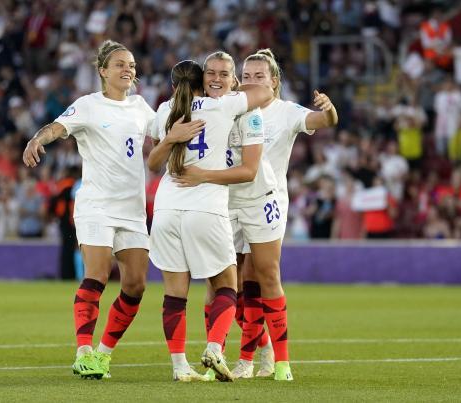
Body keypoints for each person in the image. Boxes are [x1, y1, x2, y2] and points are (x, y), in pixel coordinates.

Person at [22, 40, 200, 380]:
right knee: (98, 274)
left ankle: (103, 355)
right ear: (103, 71)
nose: (127, 69)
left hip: (132, 209)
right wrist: (36, 140)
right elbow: (57, 128)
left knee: (135, 285)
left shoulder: (140, 106)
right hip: (97, 206)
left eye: (131, 64)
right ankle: (84, 351)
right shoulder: (88, 105)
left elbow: (164, 132)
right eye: (119, 64)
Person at [180, 49, 338, 381]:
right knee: (223, 284)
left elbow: (322, 121)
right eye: (246, 76)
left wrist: (329, 110)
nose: (251, 81)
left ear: (274, 81)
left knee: (260, 276)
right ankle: (247, 350)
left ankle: (268, 362)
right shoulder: (228, 107)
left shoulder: (285, 111)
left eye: (259, 76)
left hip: (265, 200)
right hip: (225, 201)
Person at [147, 57, 273, 382]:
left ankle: (179, 367)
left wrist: (171, 137)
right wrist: (237, 86)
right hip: (205, 208)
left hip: (166, 208)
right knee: (226, 286)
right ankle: (215, 348)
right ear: (202, 80)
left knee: (174, 295)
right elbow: (264, 91)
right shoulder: (223, 106)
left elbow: (153, 163)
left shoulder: (166, 109)